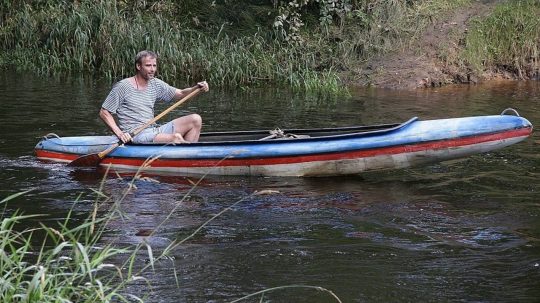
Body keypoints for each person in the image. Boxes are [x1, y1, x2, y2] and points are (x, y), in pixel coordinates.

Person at [99, 50, 209, 144]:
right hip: (135, 135)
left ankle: (189, 156)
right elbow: (104, 112)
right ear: (138, 66)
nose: (152, 69)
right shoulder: (123, 86)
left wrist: (197, 88)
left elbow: (181, 94)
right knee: (176, 138)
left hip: (153, 130)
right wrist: (120, 134)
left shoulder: (155, 83)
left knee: (196, 119)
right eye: (148, 65)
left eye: (154, 65)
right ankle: (187, 156)